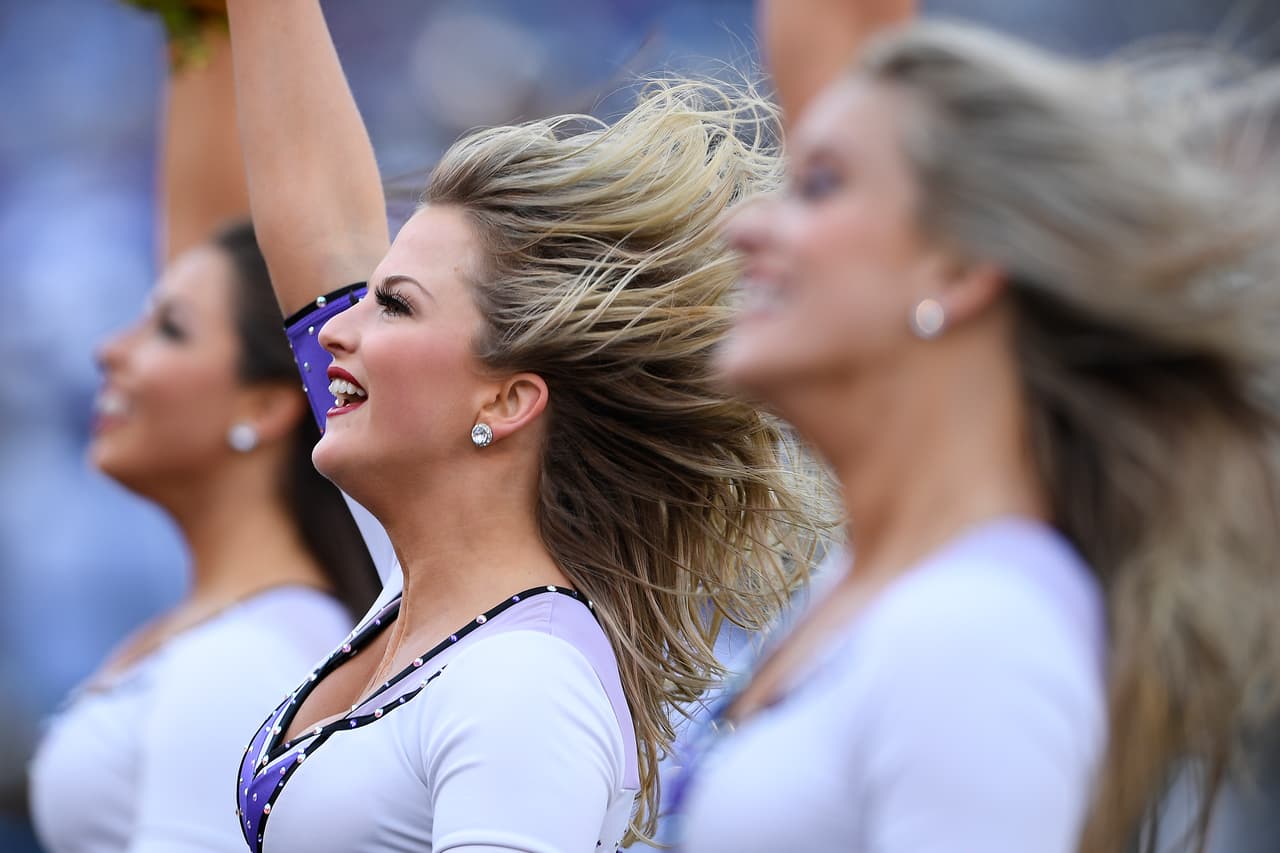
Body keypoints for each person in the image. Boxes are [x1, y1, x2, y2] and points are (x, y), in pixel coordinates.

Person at [224, 1, 824, 850]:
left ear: (506, 402)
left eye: (394, 305)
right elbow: (317, 219)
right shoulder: (430, 589)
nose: (334, 331)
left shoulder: (525, 682)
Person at [673, 18, 1280, 853]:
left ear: (957, 269)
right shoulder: (874, 584)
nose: (743, 227)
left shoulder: (977, 634)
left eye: (817, 186)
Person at [27, 26, 379, 853]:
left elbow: (283, 274)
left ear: (265, 405)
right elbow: (213, 250)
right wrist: (199, 30)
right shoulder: (234, 626)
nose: (107, 350)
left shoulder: (249, 659)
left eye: (166, 330)